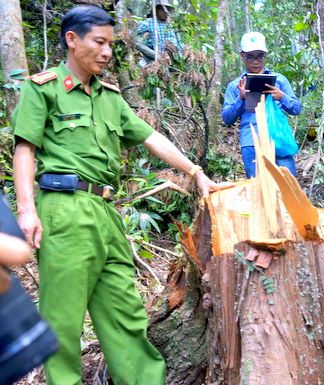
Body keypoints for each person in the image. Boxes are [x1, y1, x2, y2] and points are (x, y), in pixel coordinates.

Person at [12, 6, 230, 384]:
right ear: (72, 39)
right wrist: (27, 210)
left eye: (111, 44)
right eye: (99, 42)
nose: (108, 52)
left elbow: (151, 137)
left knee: (124, 313)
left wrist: (196, 173)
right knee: (62, 318)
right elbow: (25, 150)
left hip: (106, 212)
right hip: (64, 208)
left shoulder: (110, 97)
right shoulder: (44, 88)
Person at [221, 32, 302, 178]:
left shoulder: (279, 80)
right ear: (242, 55)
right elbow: (227, 118)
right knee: (258, 190)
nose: (255, 61)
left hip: (278, 138)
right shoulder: (235, 85)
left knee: (289, 187)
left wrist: (282, 96)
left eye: (259, 56)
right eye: (250, 56)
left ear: (265, 55)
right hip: (251, 141)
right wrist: (241, 98)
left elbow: (296, 108)